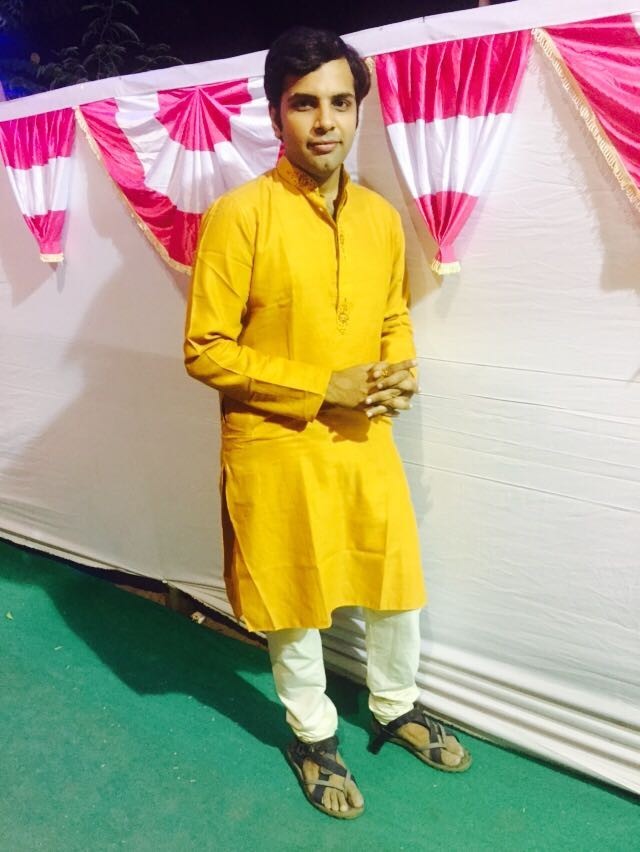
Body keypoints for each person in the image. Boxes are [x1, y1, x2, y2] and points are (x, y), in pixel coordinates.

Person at [184, 26, 471, 820]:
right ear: (276, 114)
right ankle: (312, 734)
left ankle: (395, 704)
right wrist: (322, 385)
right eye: (304, 104)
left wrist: (399, 371)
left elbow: (391, 316)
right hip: (276, 441)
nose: (325, 122)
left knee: (393, 580)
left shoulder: (380, 218)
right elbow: (204, 349)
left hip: (363, 436)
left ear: (358, 111)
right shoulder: (239, 216)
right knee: (294, 594)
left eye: (340, 103)